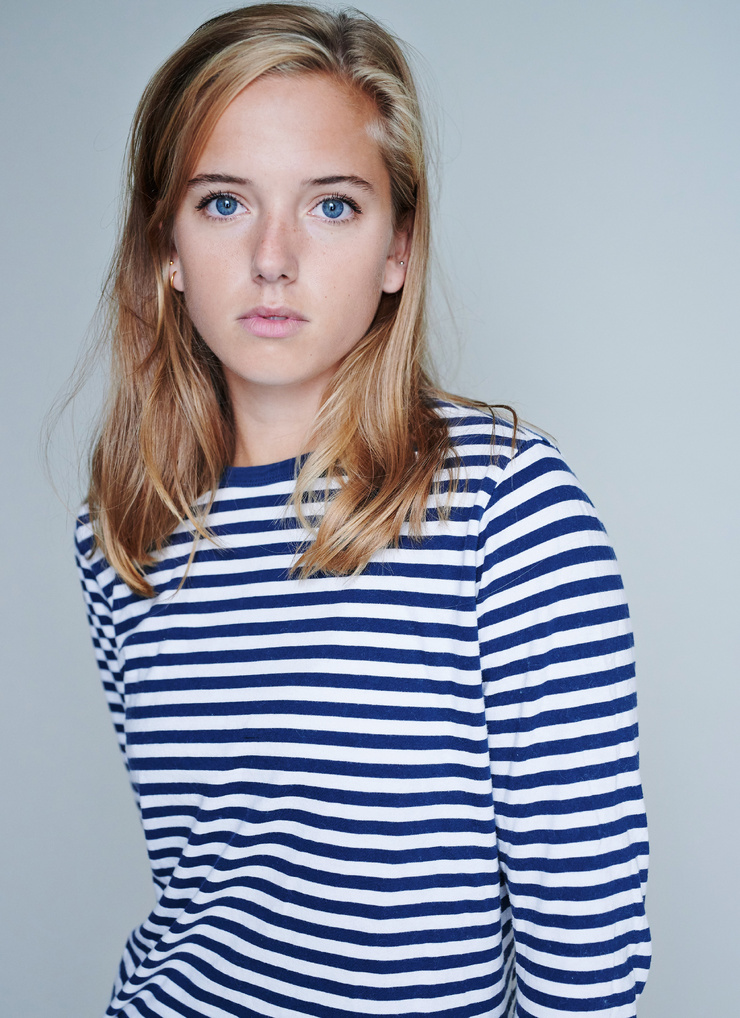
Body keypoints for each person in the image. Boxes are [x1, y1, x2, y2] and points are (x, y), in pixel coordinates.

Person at [74, 4, 651, 1016]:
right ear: (165, 244)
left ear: (397, 250)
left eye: (332, 205)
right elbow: (208, 883)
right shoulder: (122, 529)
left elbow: (589, 959)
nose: (273, 256)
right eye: (223, 203)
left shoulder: (505, 506)